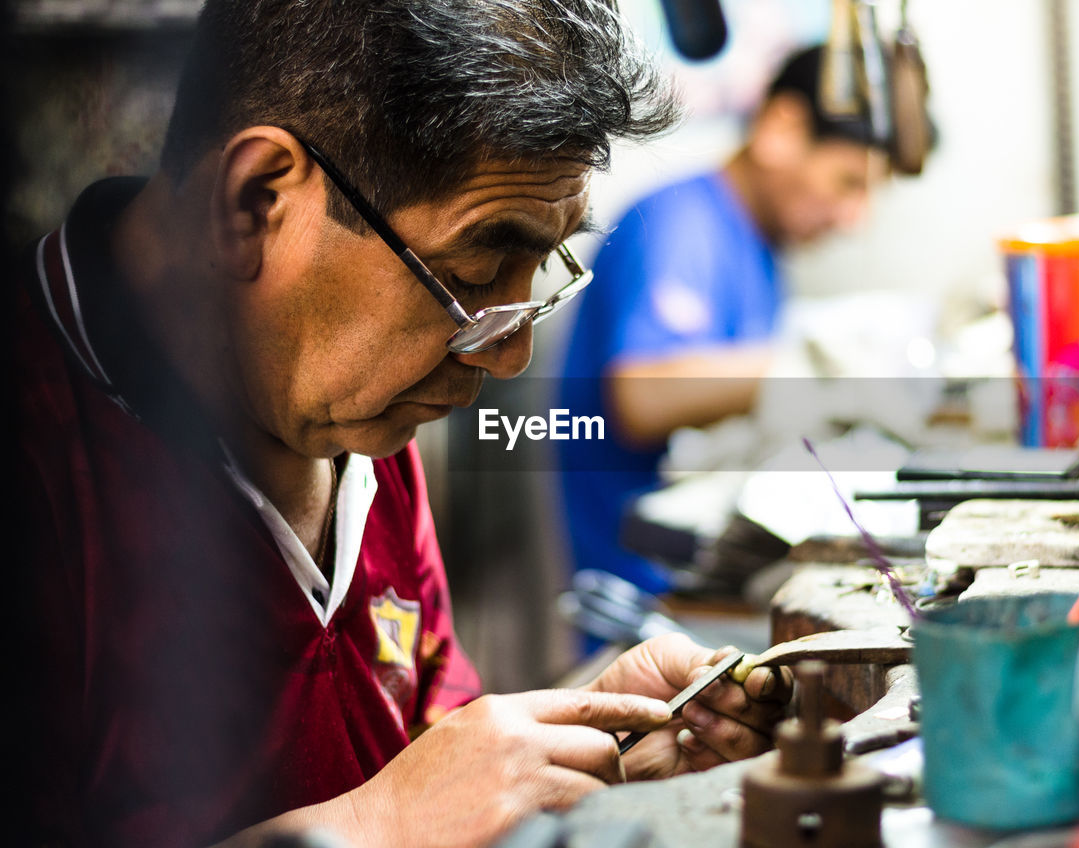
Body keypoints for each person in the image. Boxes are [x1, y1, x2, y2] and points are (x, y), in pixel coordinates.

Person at [12, 2, 791, 846]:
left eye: (538, 273)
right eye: (475, 273)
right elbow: (398, 809)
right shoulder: (44, 451)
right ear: (253, 204)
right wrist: (378, 824)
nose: (508, 356)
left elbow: (417, 748)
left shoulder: (349, 417)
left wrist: (591, 755)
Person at [556, 45, 892, 595]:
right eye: (848, 182)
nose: (855, 220)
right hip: (650, 588)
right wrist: (804, 365)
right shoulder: (679, 224)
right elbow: (641, 397)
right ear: (782, 128)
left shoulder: (760, 244)